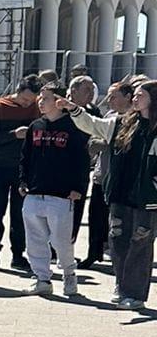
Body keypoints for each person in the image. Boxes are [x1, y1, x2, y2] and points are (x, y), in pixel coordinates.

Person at [18, 80, 91, 299]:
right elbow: (25, 157)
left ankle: (69, 273)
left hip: (61, 195)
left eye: (46, 98)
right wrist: (23, 181)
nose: (41, 101)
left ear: (59, 101)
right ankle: (42, 278)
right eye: (40, 97)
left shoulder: (74, 127)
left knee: (61, 241)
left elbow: (82, 161)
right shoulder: (35, 126)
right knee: (34, 239)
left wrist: (78, 187)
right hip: (34, 192)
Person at [104, 78, 156, 311]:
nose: (134, 98)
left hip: (148, 198)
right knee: (117, 240)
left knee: (141, 243)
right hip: (121, 192)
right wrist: (74, 110)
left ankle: (134, 294)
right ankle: (121, 285)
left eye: (140, 95)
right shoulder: (125, 123)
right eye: (134, 94)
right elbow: (96, 125)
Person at [0, 75, 39, 272]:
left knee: (21, 214)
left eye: (31, 100)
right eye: (25, 99)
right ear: (17, 92)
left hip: (24, 168)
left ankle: (18, 255)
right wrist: (14, 134)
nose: (27, 103)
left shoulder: (37, 107)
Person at [65, 76, 102, 253]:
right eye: (87, 90)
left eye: (92, 90)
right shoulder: (60, 110)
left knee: (77, 208)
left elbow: (100, 131)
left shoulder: (93, 112)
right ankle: (52, 249)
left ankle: (68, 247)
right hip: (60, 166)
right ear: (73, 91)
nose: (91, 94)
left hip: (82, 166)